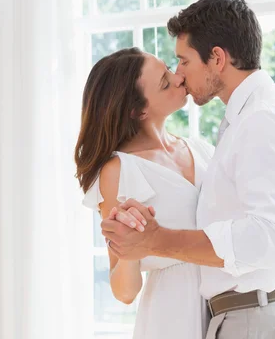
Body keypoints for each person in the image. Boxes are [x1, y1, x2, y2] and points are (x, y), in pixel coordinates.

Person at [100, 0, 275, 338]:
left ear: (217, 58)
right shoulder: (244, 122)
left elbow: (272, 237)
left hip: (257, 313)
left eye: (183, 61)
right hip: (219, 315)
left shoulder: (260, 121)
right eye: (168, 73)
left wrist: (157, 240)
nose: (179, 76)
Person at [75, 47, 214, 338]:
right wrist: (130, 247)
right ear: (138, 110)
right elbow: (123, 292)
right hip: (172, 314)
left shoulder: (201, 150)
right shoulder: (120, 170)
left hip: (228, 303)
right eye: (165, 82)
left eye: (169, 69)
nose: (178, 78)